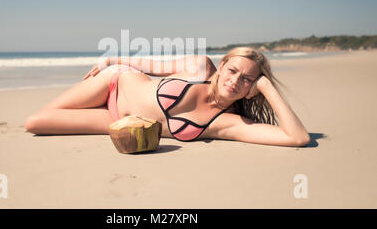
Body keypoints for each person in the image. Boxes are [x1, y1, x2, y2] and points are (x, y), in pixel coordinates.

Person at [25, 47, 310, 147]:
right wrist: (111, 59)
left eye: (247, 79)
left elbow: (296, 138)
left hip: (116, 121)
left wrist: (268, 87)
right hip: (114, 83)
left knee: (35, 123)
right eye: (233, 70)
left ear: (253, 86)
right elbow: (149, 66)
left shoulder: (228, 123)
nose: (236, 81)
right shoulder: (198, 66)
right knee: (41, 116)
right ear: (222, 67)